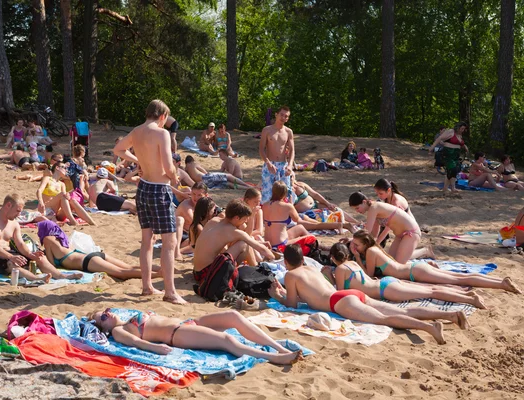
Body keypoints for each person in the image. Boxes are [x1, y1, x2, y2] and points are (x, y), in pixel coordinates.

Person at [268, 245, 469, 345]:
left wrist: (278, 295)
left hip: (338, 302)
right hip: (348, 294)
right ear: (302, 258)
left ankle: (430, 327)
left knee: (382, 319)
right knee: (403, 309)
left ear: (286, 262)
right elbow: (310, 295)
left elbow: (292, 304)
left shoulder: (290, 274)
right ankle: (450, 315)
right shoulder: (311, 269)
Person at [113, 99, 185, 304]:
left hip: (143, 188)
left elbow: (118, 150)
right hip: (158, 189)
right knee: (169, 242)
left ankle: (147, 286)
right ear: (162, 116)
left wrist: (139, 161)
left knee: (147, 240)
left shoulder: (137, 131)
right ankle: (170, 292)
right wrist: (174, 177)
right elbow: (168, 165)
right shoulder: (161, 133)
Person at [89, 308, 302, 364]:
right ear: (104, 328)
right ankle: (274, 357)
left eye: (106, 311)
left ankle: (280, 348)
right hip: (177, 334)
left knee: (233, 316)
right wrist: (156, 348)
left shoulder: (126, 319)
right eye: (103, 318)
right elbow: (136, 342)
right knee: (227, 341)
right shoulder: (119, 331)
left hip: (188, 322)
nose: (108, 314)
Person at [350, 230, 521, 293]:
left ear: (364, 244)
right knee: (457, 276)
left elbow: (369, 275)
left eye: (357, 245)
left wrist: (357, 257)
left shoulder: (371, 252)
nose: (355, 247)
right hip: (415, 268)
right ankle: (500, 281)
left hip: (414, 272)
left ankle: (501, 284)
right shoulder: (375, 249)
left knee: (459, 279)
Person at [328, 243, 486, 308]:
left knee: (430, 292)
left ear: (334, 258)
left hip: (386, 290)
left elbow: (340, 293)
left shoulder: (341, 270)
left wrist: (330, 276)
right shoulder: (354, 264)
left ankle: (470, 299)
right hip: (386, 283)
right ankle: (465, 294)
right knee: (430, 289)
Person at [0, 194, 81, 281]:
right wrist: (11, 257)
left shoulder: (14, 223)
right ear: (8, 205)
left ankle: (61, 276)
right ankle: (37, 279)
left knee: (39, 257)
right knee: (11, 263)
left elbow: (20, 244)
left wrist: (30, 254)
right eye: (17, 211)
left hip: (9, 254)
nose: (18, 215)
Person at [38, 220, 159, 280]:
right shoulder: (60, 238)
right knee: (130, 267)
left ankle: (160, 275)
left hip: (87, 262)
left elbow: (52, 264)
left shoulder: (48, 239)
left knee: (121, 273)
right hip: (92, 256)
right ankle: (166, 270)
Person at [194, 199, 275, 281]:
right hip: (207, 275)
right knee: (244, 244)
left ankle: (254, 267)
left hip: (197, 272)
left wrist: (261, 242)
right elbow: (260, 249)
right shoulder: (232, 231)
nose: (246, 221)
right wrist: (273, 257)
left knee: (243, 242)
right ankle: (255, 269)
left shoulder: (213, 221)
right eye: (244, 219)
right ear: (236, 218)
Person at [348, 192, 433, 263]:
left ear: (364, 202)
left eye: (357, 208)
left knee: (398, 264)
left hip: (411, 232)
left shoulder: (374, 207)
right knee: (391, 261)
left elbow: (367, 231)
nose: (357, 211)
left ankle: (425, 251)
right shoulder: (373, 210)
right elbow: (373, 234)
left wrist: (353, 240)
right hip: (400, 236)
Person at [36, 161, 96, 226]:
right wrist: (41, 202)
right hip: (46, 208)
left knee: (72, 200)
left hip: (57, 213)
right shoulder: (47, 179)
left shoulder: (62, 184)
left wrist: (68, 196)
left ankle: (91, 222)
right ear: (57, 168)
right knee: (62, 194)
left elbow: (65, 199)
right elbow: (39, 191)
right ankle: (73, 222)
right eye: (64, 168)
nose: (66, 170)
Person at [261, 181, 311, 251]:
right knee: (310, 237)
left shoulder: (265, 205)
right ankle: (319, 246)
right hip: (281, 244)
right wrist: (292, 205)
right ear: (285, 193)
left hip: (268, 243)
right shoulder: (288, 206)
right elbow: (297, 220)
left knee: (300, 228)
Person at [259, 106, 294, 202]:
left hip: (283, 165)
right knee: (267, 194)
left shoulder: (288, 132)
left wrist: (290, 165)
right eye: (281, 115)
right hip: (270, 165)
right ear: (276, 115)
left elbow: (292, 150)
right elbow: (261, 149)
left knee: (285, 195)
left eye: (286, 116)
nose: (283, 118)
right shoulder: (267, 130)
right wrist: (268, 163)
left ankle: (284, 216)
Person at [429, 122, 469, 193]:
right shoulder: (450, 132)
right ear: (458, 127)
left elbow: (461, 143)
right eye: (462, 128)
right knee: (452, 169)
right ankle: (449, 187)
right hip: (448, 153)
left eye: (464, 129)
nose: (462, 130)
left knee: (454, 170)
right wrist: (432, 148)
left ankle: (449, 188)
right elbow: (439, 138)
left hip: (456, 154)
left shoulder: (460, 135)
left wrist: (465, 147)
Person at [184, 155, 252, 190]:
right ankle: (247, 186)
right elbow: (205, 172)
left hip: (204, 184)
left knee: (228, 184)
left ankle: (246, 188)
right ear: (192, 160)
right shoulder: (193, 164)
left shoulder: (186, 169)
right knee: (228, 176)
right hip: (206, 178)